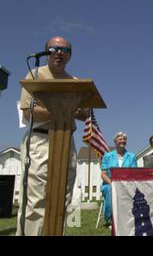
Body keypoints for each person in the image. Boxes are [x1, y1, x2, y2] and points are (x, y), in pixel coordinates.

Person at [16, 36, 89, 236]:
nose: (59, 52)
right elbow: (27, 111)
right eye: (54, 48)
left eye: (64, 50)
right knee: (36, 198)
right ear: (46, 51)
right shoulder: (35, 74)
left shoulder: (74, 82)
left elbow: (83, 112)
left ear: (70, 55)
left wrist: (82, 112)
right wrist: (63, 112)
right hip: (40, 139)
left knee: (62, 196)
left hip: (66, 140)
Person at [101, 132, 137, 225]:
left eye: (124, 139)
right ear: (115, 142)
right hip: (110, 184)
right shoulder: (107, 156)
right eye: (120, 139)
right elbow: (103, 174)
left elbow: (134, 173)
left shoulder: (131, 156)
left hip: (126, 184)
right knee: (110, 190)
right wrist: (111, 183)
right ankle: (109, 218)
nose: (122, 141)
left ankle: (128, 217)